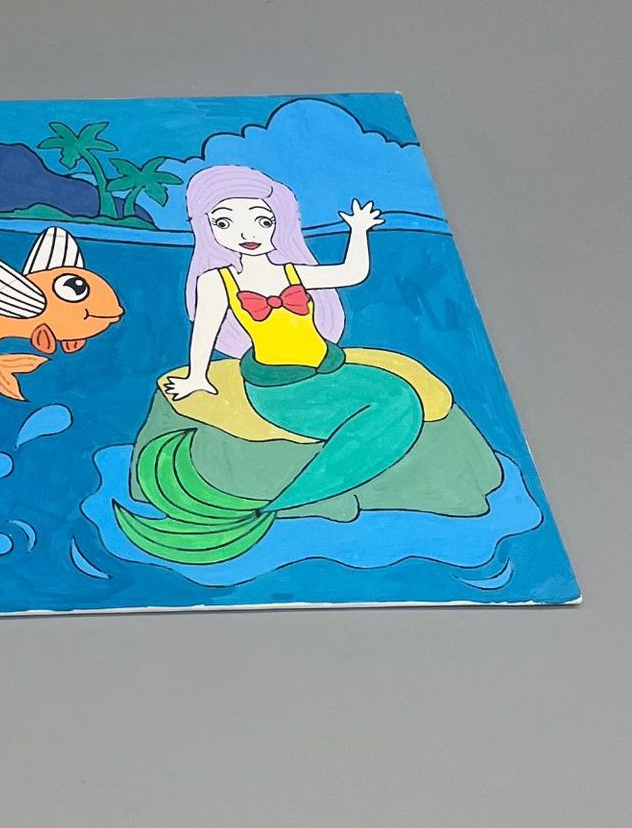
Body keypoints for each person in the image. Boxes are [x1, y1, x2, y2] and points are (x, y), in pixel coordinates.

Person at [117, 163, 425, 563]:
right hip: (279, 390)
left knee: (399, 396)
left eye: (261, 221)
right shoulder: (218, 281)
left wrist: (359, 230)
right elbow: (204, 331)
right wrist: (196, 377)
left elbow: (351, 273)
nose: (246, 233)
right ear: (209, 230)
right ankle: (295, 497)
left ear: (278, 223)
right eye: (225, 223)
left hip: (329, 373)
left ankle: (309, 490)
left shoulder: (293, 272)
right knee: (385, 410)